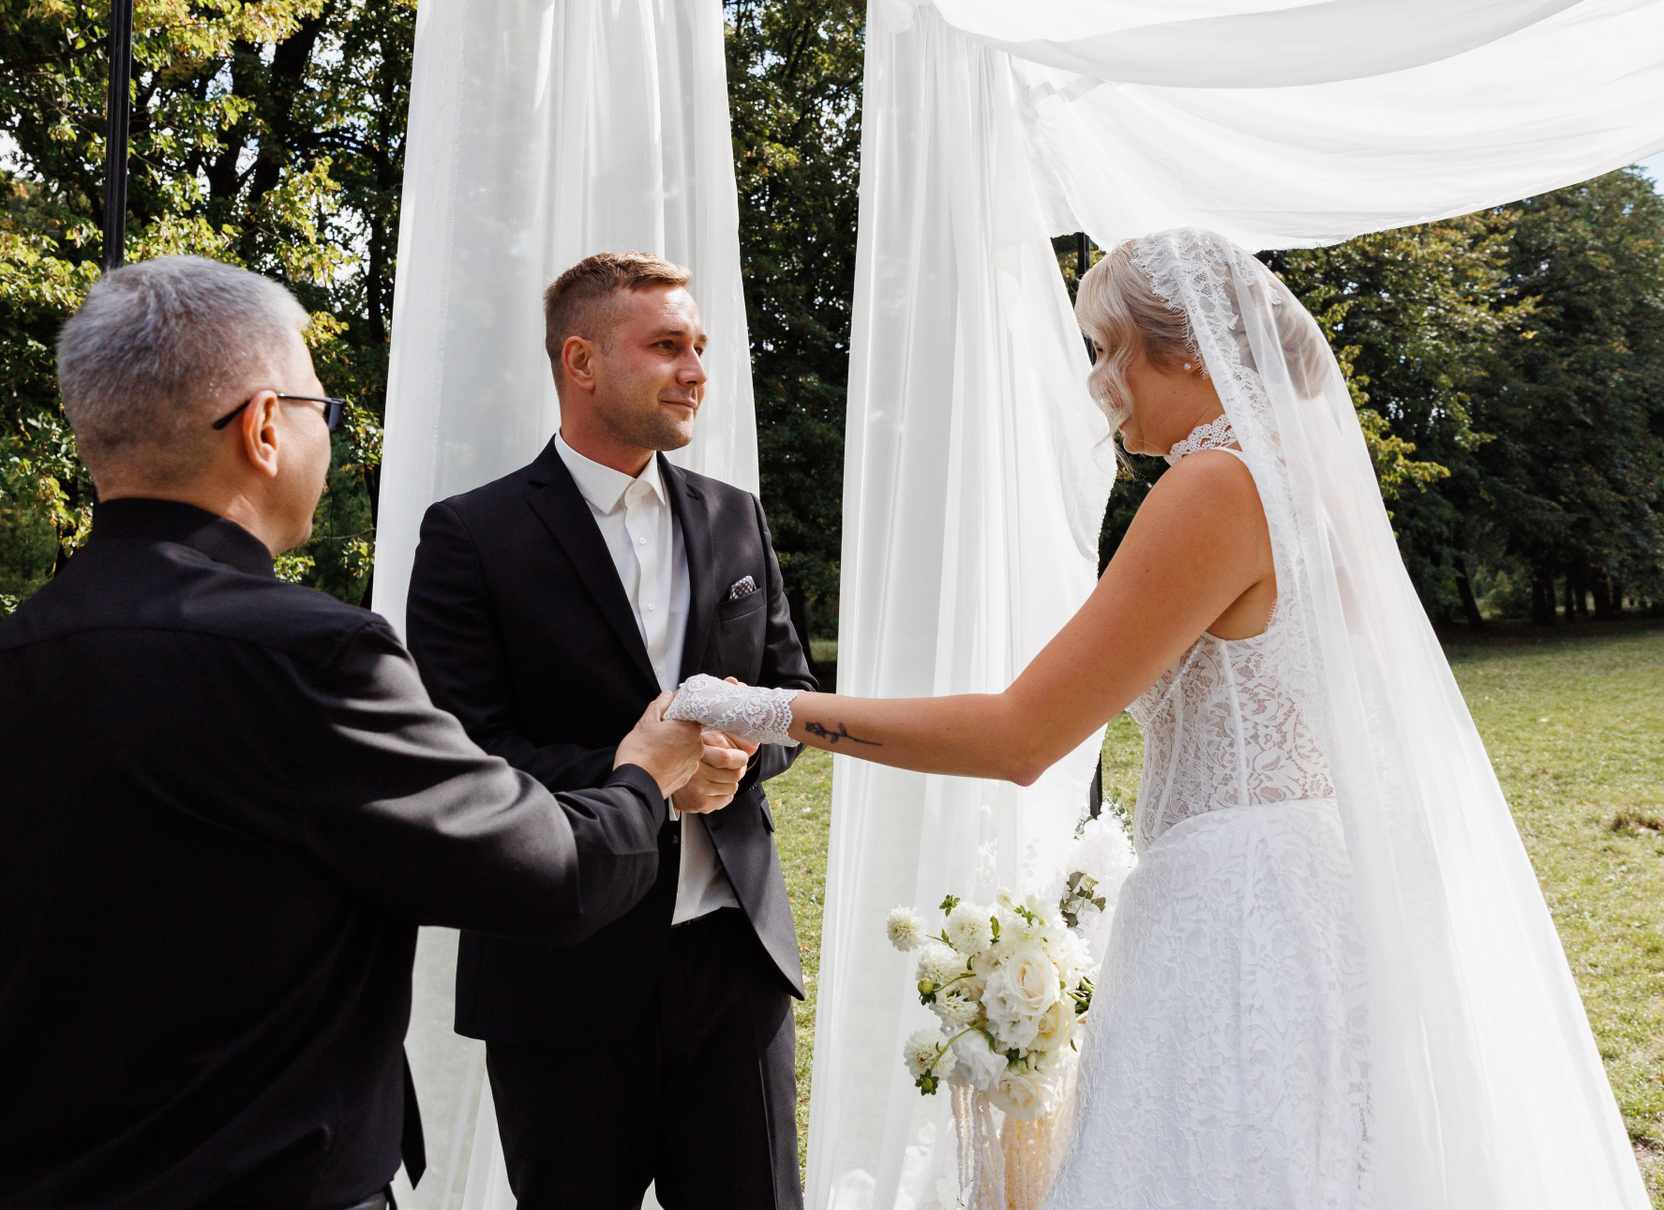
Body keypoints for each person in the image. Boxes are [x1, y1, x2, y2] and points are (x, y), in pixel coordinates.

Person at [669, 228, 1652, 1207]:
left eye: (1108, 348)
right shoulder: (1307, 490)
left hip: (1238, 914)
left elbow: (1022, 736)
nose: (1098, 381)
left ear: (1187, 350)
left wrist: (763, 706)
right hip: (1323, 886)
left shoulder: (1214, 485)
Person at [0, 255, 705, 1210]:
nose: (328, 435)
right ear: (262, 429)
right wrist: (644, 774)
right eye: (322, 409)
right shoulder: (309, 658)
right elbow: (558, 875)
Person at [405, 251, 815, 1210]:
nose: (696, 370)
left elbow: (791, 693)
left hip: (734, 959)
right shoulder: (471, 535)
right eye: (667, 345)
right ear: (581, 361)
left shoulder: (735, 517)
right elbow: (467, 753)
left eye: (699, 346)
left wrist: (740, 756)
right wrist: (651, 777)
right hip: (562, 970)